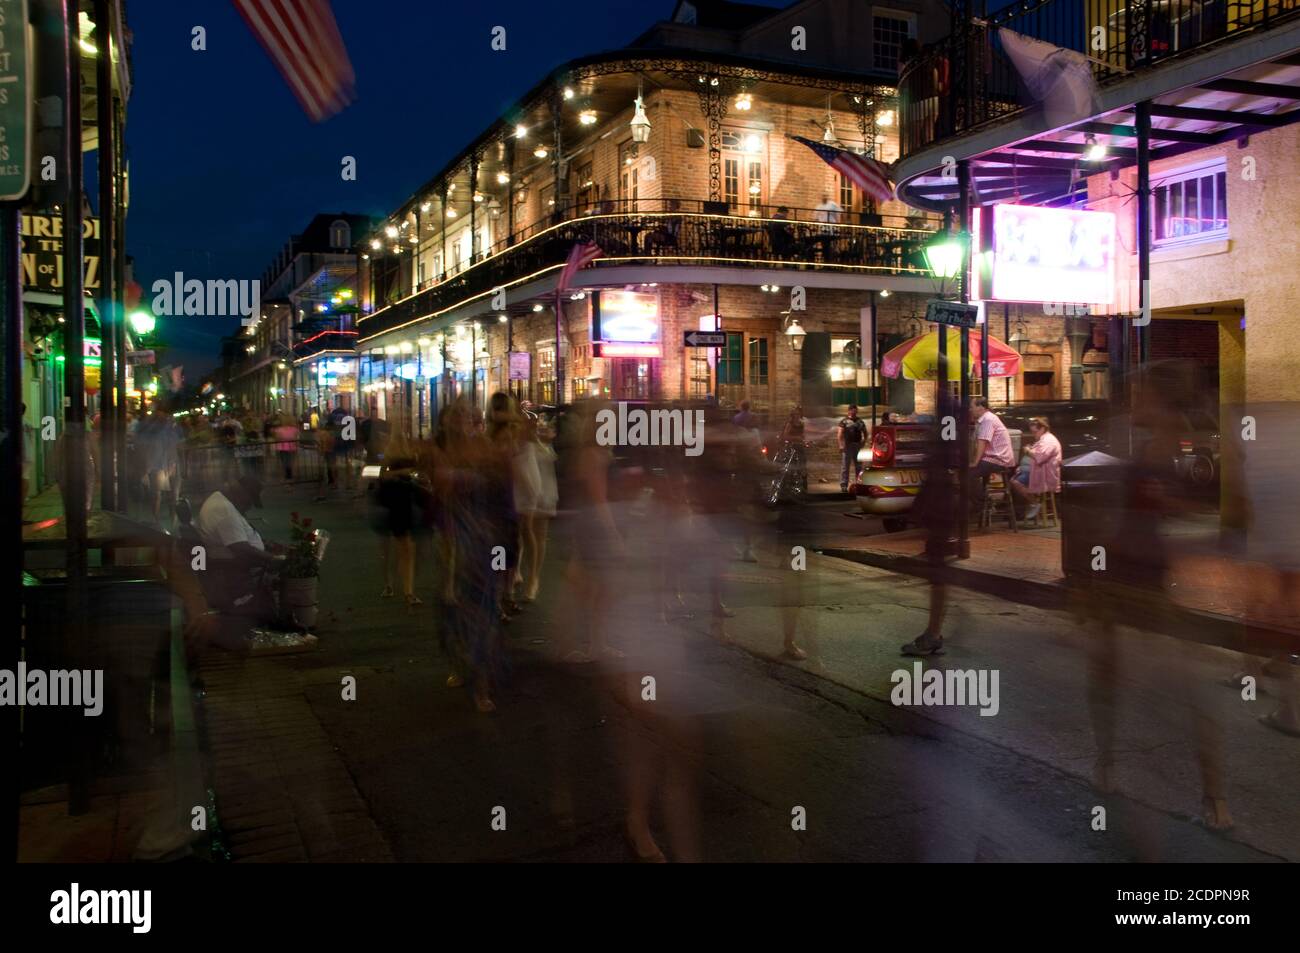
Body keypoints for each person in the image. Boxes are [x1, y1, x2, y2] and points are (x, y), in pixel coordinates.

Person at [195, 474, 286, 623]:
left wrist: (265, 544)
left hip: (231, 565)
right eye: (250, 500)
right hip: (234, 570)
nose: (250, 506)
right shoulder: (225, 511)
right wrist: (272, 559)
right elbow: (241, 548)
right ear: (242, 493)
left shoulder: (221, 500)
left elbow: (238, 538)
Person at [969, 397, 1016, 513]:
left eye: (972, 407)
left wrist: (975, 462)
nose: (970, 410)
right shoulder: (983, 420)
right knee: (968, 472)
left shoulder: (988, 419)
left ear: (981, 407)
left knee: (968, 475)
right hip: (993, 457)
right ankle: (983, 503)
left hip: (998, 459)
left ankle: (985, 504)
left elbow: (982, 442)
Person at [1009, 416, 1061, 522]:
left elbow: (1039, 457)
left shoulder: (1049, 441)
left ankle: (1034, 502)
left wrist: (1028, 451)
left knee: (1015, 482)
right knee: (1015, 479)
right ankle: (1031, 503)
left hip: (1045, 474)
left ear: (1042, 429)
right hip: (1036, 471)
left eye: (1035, 432)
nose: (1034, 434)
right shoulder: (1043, 439)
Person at [837, 403, 868, 491]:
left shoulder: (860, 421)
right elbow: (839, 434)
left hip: (857, 445)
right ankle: (844, 485)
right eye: (853, 410)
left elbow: (865, 433)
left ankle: (859, 484)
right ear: (849, 411)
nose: (855, 412)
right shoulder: (844, 421)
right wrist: (840, 445)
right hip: (847, 446)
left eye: (856, 410)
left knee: (858, 466)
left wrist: (864, 441)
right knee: (845, 466)